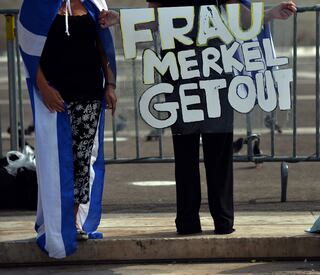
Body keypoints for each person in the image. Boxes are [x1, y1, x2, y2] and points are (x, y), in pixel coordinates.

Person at [100, 1, 296, 235]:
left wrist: (269, 15)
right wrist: (122, 19)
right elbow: (156, 18)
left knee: (219, 149)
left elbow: (239, 17)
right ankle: (188, 221)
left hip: (216, 69)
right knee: (186, 152)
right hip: (180, 70)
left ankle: (222, 221)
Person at [18, 0, 117, 258]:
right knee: (55, 161)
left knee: (81, 160)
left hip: (89, 94)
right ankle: (54, 223)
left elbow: (104, 46)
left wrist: (111, 84)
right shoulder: (36, 5)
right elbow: (29, 52)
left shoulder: (94, 3)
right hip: (54, 98)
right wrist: (44, 88)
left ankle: (72, 222)